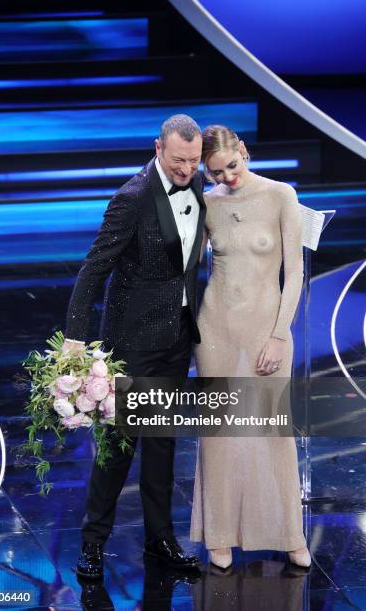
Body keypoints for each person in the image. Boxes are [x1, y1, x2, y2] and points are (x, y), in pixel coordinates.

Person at [63, 114, 206, 579]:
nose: (188, 169)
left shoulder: (199, 183)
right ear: (158, 148)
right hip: (132, 342)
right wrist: (75, 339)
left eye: (194, 159)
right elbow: (93, 269)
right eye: (180, 160)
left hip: (177, 337)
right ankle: (93, 543)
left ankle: (160, 540)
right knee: (117, 448)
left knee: (163, 445)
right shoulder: (132, 198)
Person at [190, 125, 311, 569]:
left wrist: (280, 333)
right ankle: (220, 536)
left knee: (272, 432)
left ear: (243, 151)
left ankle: (289, 535)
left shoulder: (281, 194)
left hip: (266, 327)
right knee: (220, 435)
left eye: (232, 167)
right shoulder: (208, 201)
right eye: (217, 173)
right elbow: (186, 262)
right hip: (216, 326)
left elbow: (294, 273)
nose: (228, 179)